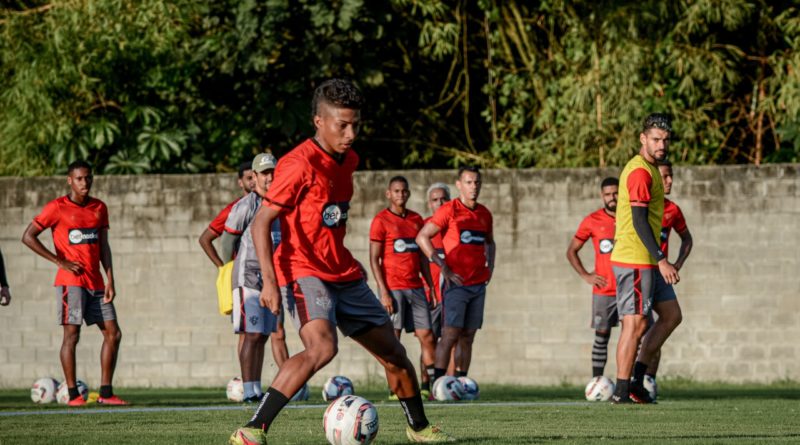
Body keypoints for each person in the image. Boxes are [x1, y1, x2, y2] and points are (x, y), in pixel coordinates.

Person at [229, 79, 454, 444]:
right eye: (342, 125)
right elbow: (261, 222)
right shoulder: (297, 165)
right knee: (323, 347)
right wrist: (270, 282)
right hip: (303, 271)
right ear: (319, 121)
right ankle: (253, 429)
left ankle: (419, 428)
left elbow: (329, 220)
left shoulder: (349, 161)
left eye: (356, 125)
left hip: (344, 273)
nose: (350, 134)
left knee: (394, 354)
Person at [21, 160, 127, 406]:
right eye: (79, 178)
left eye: (88, 178)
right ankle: (72, 395)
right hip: (71, 283)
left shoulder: (99, 207)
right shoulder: (57, 207)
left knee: (113, 333)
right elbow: (28, 236)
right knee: (72, 336)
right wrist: (60, 261)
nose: (84, 183)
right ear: (70, 180)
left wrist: (110, 279)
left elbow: (103, 246)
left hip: (97, 284)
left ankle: (106, 393)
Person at [609, 113, 679, 404]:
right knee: (635, 323)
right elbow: (639, 221)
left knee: (672, 316)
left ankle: (638, 379)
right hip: (635, 258)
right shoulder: (639, 171)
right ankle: (622, 391)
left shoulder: (652, 170)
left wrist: (658, 260)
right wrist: (662, 258)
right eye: (655, 139)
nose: (661, 144)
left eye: (665, 139)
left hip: (649, 260)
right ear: (643, 139)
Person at [417, 166, 495, 383]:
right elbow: (422, 237)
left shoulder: (484, 214)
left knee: (468, 336)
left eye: (477, 182)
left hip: (478, 284)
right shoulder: (449, 210)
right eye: (469, 182)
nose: (474, 187)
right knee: (450, 334)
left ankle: (461, 383)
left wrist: (491, 267)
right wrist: (443, 267)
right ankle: (439, 384)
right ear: (459, 185)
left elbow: (490, 242)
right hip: (456, 284)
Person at [221, 153, 285, 403]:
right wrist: (229, 269)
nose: (269, 177)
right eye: (264, 173)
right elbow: (227, 240)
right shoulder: (247, 205)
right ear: (255, 177)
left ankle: (256, 388)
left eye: (272, 172)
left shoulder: (280, 203)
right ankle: (249, 391)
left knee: (264, 334)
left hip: (270, 278)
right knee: (251, 333)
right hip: (248, 275)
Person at [369, 176, 436, 400]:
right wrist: (384, 291)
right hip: (393, 288)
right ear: (389, 194)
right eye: (396, 191)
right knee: (392, 339)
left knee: (427, 335)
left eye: (404, 191)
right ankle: (394, 388)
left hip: (416, 287)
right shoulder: (381, 221)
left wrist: (431, 286)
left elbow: (423, 258)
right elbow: (374, 259)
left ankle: (429, 386)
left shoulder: (417, 220)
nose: (400, 195)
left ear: (408, 194)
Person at [636, 159, 693, 392]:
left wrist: (676, 264)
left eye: (671, 176)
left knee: (672, 317)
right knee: (639, 326)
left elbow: (687, 238)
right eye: (664, 176)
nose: (669, 181)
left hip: (659, 272)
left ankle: (643, 379)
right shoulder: (639, 206)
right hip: (639, 269)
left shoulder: (671, 210)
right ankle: (626, 384)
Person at [566, 177, 619, 379]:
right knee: (601, 336)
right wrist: (586, 275)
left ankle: (633, 382)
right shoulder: (592, 221)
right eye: (607, 194)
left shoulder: (632, 218)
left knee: (633, 336)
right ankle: (597, 381)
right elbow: (571, 251)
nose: (612, 198)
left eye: (615, 193)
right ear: (601, 196)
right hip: (604, 290)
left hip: (628, 289)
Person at [423, 183, 457, 377]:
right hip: (432, 293)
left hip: (453, 293)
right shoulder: (425, 228)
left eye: (443, 199)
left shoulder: (456, 224)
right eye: (435, 200)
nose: (440, 203)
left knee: (453, 338)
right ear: (429, 204)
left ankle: (449, 384)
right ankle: (427, 384)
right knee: (429, 339)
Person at [198, 161, 256, 268]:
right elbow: (204, 239)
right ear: (240, 183)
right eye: (249, 178)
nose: (253, 182)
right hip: (244, 273)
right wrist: (223, 269)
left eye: (255, 177)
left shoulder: (269, 206)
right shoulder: (233, 210)